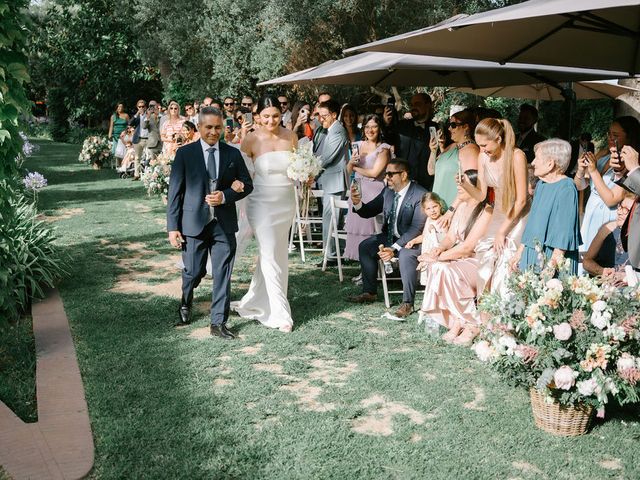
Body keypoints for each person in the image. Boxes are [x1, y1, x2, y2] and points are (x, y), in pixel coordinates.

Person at [166, 106, 253, 340]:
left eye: (217, 127)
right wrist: (173, 227)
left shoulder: (232, 154)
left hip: (223, 224)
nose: (213, 132)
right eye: (209, 127)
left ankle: (218, 323)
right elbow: (175, 192)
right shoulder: (185, 154)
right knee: (194, 271)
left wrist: (226, 195)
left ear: (223, 128)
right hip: (193, 223)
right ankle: (186, 300)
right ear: (200, 127)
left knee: (223, 273)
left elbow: (247, 183)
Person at [231, 95, 298, 333]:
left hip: (286, 202)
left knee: (277, 254)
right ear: (258, 115)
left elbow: (296, 167)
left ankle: (254, 300)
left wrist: (305, 174)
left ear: (282, 114)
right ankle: (281, 314)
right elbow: (242, 173)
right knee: (269, 253)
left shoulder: (291, 136)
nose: (271, 120)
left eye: (276, 116)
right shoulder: (250, 139)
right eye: (266, 116)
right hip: (261, 203)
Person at [418, 170, 491, 344]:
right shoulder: (460, 208)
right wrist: (437, 250)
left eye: (463, 183)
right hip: (462, 260)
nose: (458, 187)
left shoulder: (487, 211)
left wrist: (438, 257)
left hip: (480, 262)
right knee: (437, 268)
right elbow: (450, 238)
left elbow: (467, 248)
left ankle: (472, 323)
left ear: (477, 187)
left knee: (447, 270)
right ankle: (458, 320)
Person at [348, 159, 427, 319]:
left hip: (413, 241)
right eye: (386, 174)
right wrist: (357, 203)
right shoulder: (388, 192)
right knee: (365, 246)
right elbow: (368, 210)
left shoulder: (420, 194)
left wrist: (395, 248)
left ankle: (408, 303)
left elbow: (416, 228)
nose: (387, 177)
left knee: (405, 255)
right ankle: (369, 292)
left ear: (403, 175)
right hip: (390, 237)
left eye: (391, 174)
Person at [462, 117, 528, 294]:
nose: (481, 150)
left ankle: (506, 316)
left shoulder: (517, 156)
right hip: (498, 214)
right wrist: (465, 185)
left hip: (517, 216)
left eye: (485, 145)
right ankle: (487, 315)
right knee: (486, 258)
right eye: (479, 146)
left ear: (498, 139)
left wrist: (502, 232)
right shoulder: (483, 157)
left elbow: (521, 200)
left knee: (506, 261)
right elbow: (482, 195)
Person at [511, 139, 581, 275]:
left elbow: (564, 234)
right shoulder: (542, 185)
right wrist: (519, 252)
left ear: (550, 164)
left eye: (537, 158)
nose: (533, 163)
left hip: (552, 258)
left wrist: (552, 265)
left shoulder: (567, 188)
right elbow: (532, 224)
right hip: (532, 254)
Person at [575, 116, 640, 254]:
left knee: (599, 258)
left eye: (615, 135)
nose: (610, 138)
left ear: (629, 137)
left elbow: (611, 199)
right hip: (591, 211)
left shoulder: (631, 163)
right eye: (609, 133)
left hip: (607, 216)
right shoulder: (603, 154)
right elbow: (581, 186)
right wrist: (580, 171)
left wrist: (593, 171)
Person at [344, 114, 391, 262]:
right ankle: (361, 266)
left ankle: (371, 263)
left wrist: (356, 169)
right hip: (357, 189)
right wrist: (351, 163)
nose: (370, 130)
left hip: (373, 191)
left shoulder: (384, 149)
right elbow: (348, 170)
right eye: (367, 127)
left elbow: (375, 173)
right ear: (363, 128)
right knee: (356, 228)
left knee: (369, 230)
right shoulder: (357, 145)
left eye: (374, 127)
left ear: (380, 128)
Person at [313, 99, 349, 266]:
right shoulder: (328, 130)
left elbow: (327, 158)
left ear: (334, 115)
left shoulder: (337, 131)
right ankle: (334, 253)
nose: (321, 119)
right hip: (328, 181)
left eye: (324, 115)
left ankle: (331, 256)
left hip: (335, 181)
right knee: (330, 219)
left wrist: (310, 169)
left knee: (331, 219)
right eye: (319, 115)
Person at [383, 93, 438, 190]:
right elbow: (387, 141)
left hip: (426, 186)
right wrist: (386, 124)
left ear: (428, 105)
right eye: (412, 105)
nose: (413, 107)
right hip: (401, 183)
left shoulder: (437, 129)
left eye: (417, 104)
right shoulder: (401, 126)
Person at [429, 108, 479, 210]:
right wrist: (433, 151)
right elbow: (431, 171)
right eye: (449, 125)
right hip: (436, 209)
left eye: (453, 125)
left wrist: (451, 211)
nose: (449, 129)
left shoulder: (471, 151)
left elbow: (470, 187)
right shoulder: (451, 147)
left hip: (452, 210)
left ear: (466, 127)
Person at [583, 196, 634, 280]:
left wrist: (625, 277)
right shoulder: (608, 229)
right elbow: (587, 261)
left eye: (626, 210)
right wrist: (602, 271)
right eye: (620, 207)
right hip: (602, 286)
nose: (619, 212)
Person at [407, 192, 447, 286]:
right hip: (427, 250)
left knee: (437, 280)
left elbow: (446, 239)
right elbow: (425, 236)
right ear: (424, 210)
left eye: (435, 206)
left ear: (440, 205)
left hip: (437, 253)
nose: (432, 210)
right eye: (428, 208)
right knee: (429, 280)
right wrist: (413, 241)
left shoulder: (443, 220)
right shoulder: (429, 220)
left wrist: (435, 232)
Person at [130, 100, 161, 180]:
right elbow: (130, 123)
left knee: (150, 157)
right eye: (139, 107)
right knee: (137, 158)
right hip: (138, 139)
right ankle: (137, 175)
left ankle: (150, 174)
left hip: (149, 139)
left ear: (146, 107)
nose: (141, 108)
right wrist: (137, 113)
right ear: (137, 107)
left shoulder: (151, 115)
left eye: (143, 106)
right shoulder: (137, 116)